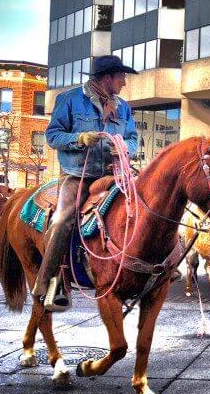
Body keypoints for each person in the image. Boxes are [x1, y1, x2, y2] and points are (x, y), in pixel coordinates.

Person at [32, 55, 139, 312]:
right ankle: (46, 286)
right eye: (121, 77)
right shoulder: (69, 100)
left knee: (145, 204)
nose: (124, 82)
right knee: (62, 220)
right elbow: (53, 136)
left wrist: (125, 147)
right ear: (107, 77)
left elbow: (134, 138)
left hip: (114, 174)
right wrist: (79, 137)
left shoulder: (123, 107)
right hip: (77, 175)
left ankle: (160, 266)